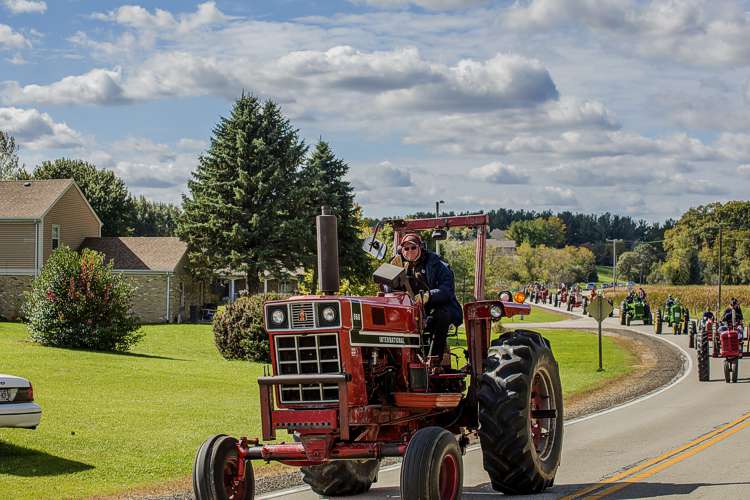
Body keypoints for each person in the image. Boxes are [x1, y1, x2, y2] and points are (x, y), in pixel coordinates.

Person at [392, 233, 463, 363]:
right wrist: (392, 274)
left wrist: (428, 296)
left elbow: (447, 290)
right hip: (412, 310)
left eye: (413, 247)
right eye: (406, 249)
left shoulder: (437, 264)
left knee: (441, 315)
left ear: (421, 247)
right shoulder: (398, 264)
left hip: (439, 307)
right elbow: (388, 290)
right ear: (401, 251)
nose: (409, 251)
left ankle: (434, 359)